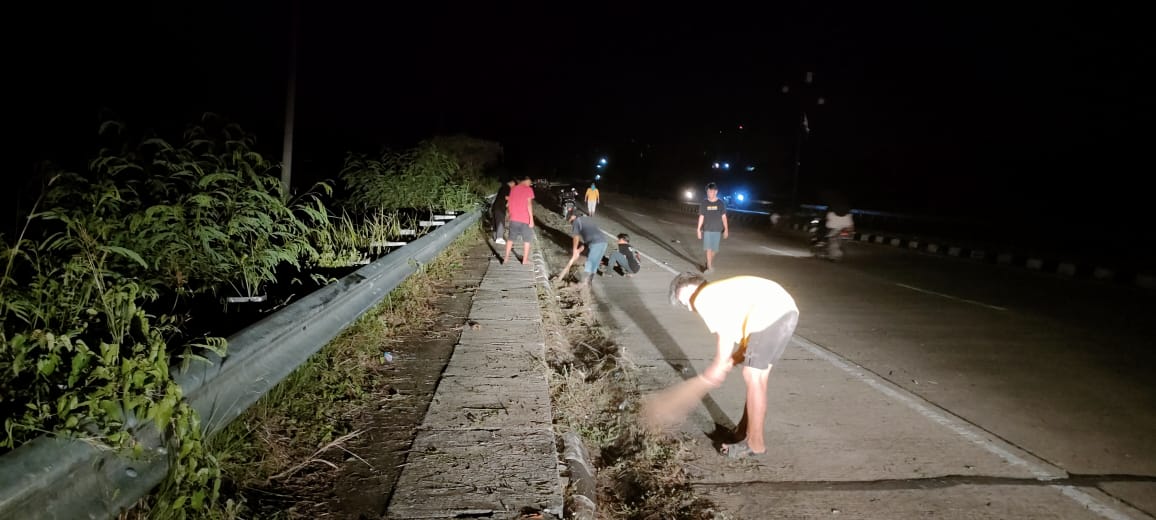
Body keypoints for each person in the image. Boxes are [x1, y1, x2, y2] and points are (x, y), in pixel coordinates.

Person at [668, 272, 799, 459]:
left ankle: (755, 444)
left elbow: (725, 333)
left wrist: (718, 364)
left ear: (690, 288)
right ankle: (742, 432)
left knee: (753, 376)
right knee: (758, 380)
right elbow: (747, 340)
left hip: (770, 315)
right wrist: (733, 359)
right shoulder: (722, 293)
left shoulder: (704, 296)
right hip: (786, 313)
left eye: (684, 301)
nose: (689, 308)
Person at [567, 208, 608, 287]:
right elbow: (588, 238)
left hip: (595, 243)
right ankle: (588, 283)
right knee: (594, 262)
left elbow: (576, 237)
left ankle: (583, 284)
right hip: (603, 242)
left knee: (590, 263)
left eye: (570, 220)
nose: (571, 223)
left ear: (573, 216)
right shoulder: (587, 219)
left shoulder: (576, 221)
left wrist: (575, 250)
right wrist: (580, 249)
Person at [696, 182, 729, 273]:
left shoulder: (720, 203)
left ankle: (708, 262)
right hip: (707, 229)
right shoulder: (704, 203)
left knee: (715, 250)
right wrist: (698, 229)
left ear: (716, 192)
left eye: (711, 192)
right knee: (708, 248)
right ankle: (709, 267)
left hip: (717, 229)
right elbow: (701, 216)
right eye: (708, 192)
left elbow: (724, 217)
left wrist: (726, 229)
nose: (709, 193)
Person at [503, 175, 535, 265]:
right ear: (527, 181)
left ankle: (506, 258)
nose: (530, 184)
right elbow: (529, 205)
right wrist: (531, 220)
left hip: (514, 219)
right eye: (530, 182)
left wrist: (510, 214)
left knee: (510, 239)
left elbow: (509, 203)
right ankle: (524, 260)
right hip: (525, 219)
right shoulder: (528, 189)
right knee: (527, 240)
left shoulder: (513, 189)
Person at [491, 178, 514, 244]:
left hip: (495, 206)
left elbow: (505, 201)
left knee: (495, 222)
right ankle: (499, 238)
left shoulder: (502, 188)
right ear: (512, 183)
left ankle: (495, 237)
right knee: (500, 222)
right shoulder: (507, 188)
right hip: (500, 207)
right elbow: (506, 197)